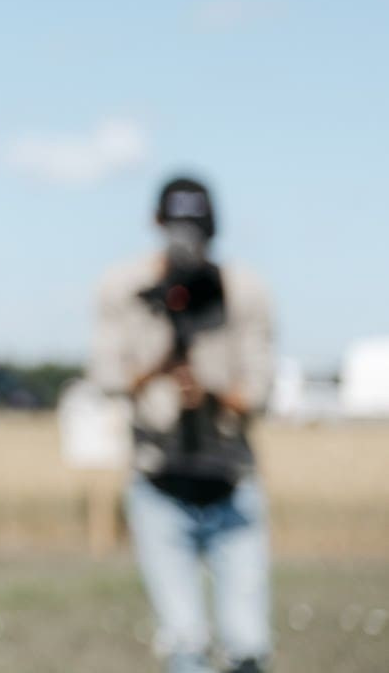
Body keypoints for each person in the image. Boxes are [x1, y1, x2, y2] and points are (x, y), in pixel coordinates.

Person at [89, 175, 276, 673]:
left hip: (230, 481)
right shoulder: (125, 288)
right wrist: (161, 365)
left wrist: (209, 391)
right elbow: (107, 376)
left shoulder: (244, 292)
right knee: (185, 642)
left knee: (247, 643)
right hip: (158, 480)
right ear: (157, 224)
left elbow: (260, 392)